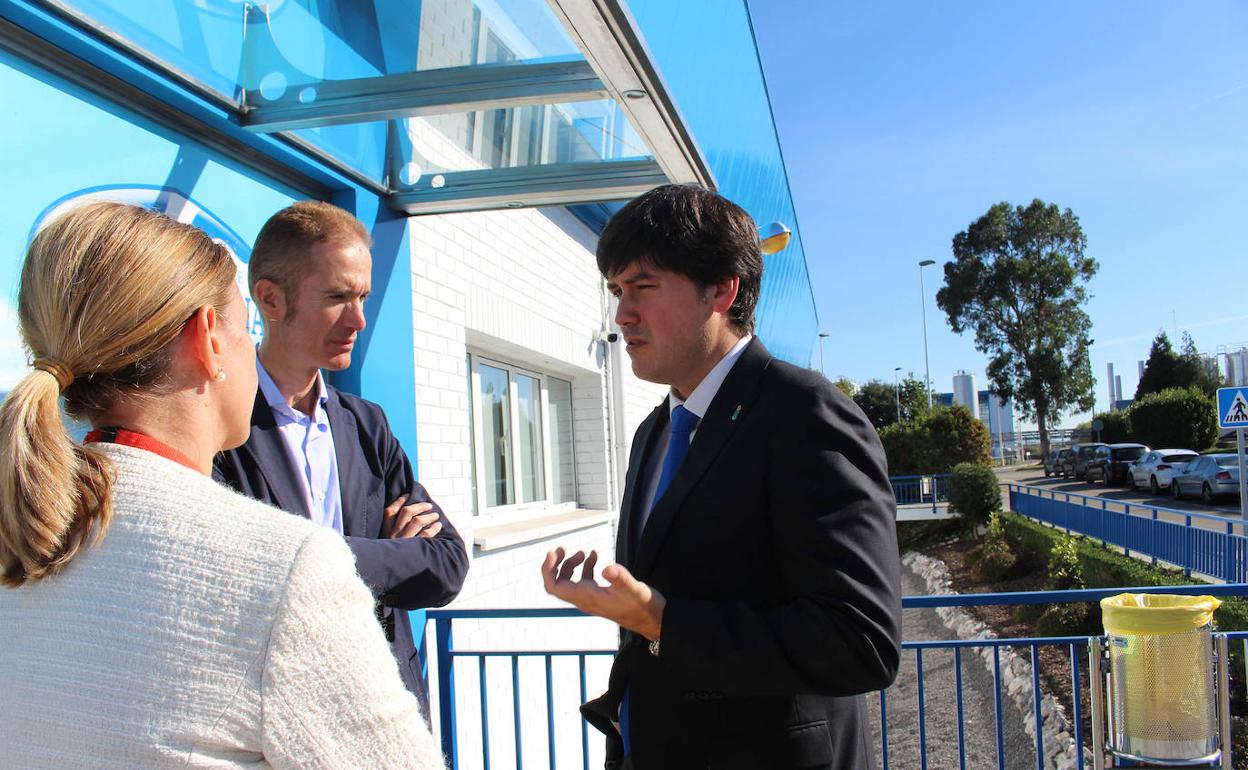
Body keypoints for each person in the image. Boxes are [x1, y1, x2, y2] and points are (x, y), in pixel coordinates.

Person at [0, 201, 445, 769]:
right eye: (243, 328)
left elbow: (446, 559)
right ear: (209, 341)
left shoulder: (25, 530)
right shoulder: (289, 568)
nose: (356, 318)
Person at [541, 184, 902, 769]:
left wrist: (660, 619)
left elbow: (859, 642)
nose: (622, 314)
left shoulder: (804, 413)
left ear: (723, 289)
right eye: (616, 291)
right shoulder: (654, 433)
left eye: (644, 287)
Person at [214, 200, 468, 716]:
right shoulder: (223, 427)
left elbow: (447, 564)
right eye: (336, 297)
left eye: (363, 297)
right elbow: (242, 586)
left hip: (384, 708)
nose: (359, 319)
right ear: (270, 299)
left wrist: (313, 560)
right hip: (280, 720)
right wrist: (381, 555)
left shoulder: (366, 424)